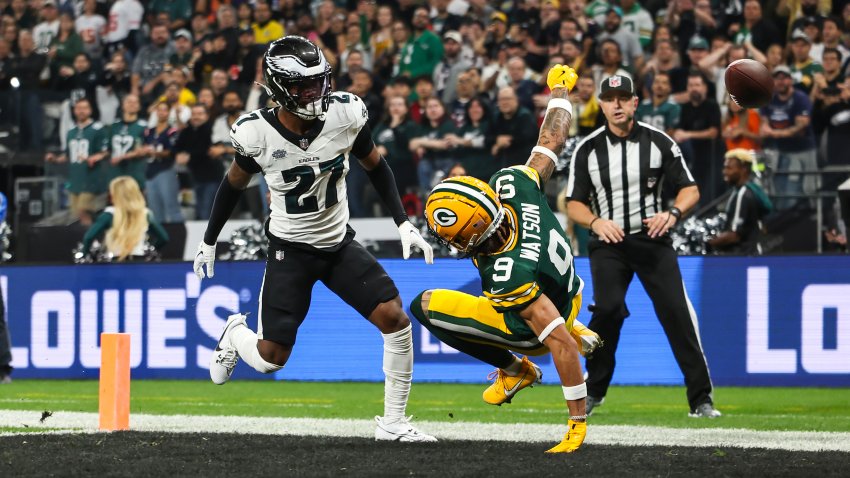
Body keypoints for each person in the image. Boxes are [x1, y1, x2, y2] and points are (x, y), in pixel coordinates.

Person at [193, 36, 436, 442]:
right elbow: (232, 185)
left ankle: (393, 423)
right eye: (303, 86)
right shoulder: (256, 134)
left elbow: (376, 166)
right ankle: (235, 331)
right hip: (291, 250)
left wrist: (403, 222)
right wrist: (209, 240)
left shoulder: (346, 112)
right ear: (278, 87)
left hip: (338, 243)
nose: (316, 93)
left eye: (319, 82)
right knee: (272, 358)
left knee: (395, 320)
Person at [412, 64, 601, 453]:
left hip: (537, 325)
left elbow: (562, 348)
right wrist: (560, 92)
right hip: (567, 291)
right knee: (519, 301)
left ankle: (517, 370)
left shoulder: (507, 271)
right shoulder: (514, 183)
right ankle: (567, 320)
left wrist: (576, 421)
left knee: (425, 305)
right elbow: (552, 138)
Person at [565, 74, 721, 418]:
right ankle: (595, 391)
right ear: (601, 105)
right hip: (609, 242)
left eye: (624, 97)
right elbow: (572, 203)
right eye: (610, 98)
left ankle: (701, 399)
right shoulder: (587, 148)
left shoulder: (660, 142)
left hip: (652, 240)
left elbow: (690, 189)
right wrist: (595, 222)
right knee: (606, 310)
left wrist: (674, 213)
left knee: (677, 314)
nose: (617, 104)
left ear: (635, 102)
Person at [81, 176, 170, 261]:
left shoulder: (109, 214)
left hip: (116, 262)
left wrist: (85, 255)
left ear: (114, 195)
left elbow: (88, 237)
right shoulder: (145, 213)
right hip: (140, 262)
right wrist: (151, 251)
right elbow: (163, 238)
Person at [708, 149, 773, 255]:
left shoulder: (743, 194)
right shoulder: (745, 191)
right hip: (750, 255)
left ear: (744, 169)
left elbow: (734, 236)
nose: (724, 172)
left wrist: (710, 243)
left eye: (729, 168)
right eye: (724, 167)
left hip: (744, 258)